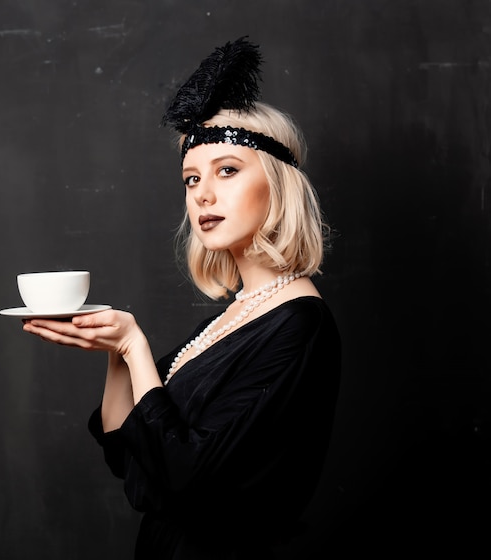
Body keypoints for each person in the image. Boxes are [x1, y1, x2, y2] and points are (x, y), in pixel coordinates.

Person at [22, 37, 341, 560]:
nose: (202, 194)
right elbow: (128, 453)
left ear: (279, 186)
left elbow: (186, 477)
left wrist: (135, 347)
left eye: (228, 170)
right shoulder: (236, 315)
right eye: (192, 178)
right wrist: (115, 351)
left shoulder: (298, 326)